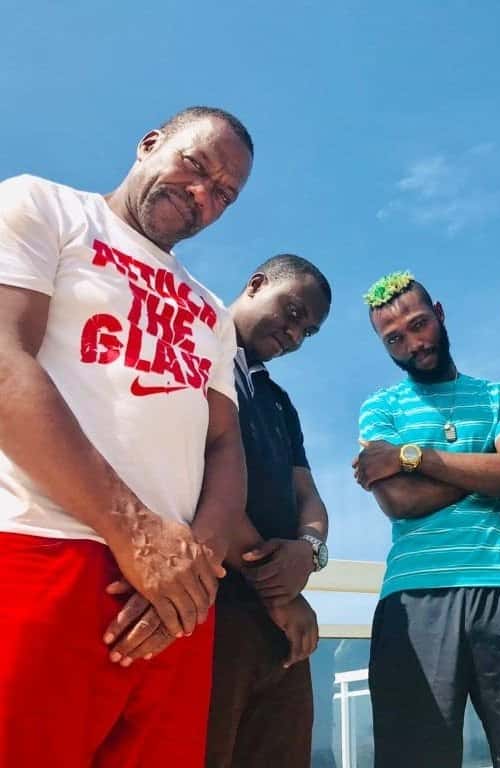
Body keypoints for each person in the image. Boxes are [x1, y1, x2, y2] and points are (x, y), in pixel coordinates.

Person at [0, 106, 256, 767]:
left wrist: (197, 568)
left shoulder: (213, 313)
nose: (201, 193)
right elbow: (5, 359)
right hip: (44, 547)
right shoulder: (44, 206)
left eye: (223, 194)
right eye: (195, 165)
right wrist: (135, 533)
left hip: (175, 599)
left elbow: (225, 444)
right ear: (149, 144)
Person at [353, 271, 500, 768]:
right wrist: (489, 469)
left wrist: (415, 457)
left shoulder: (499, 395)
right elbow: (399, 500)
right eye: (394, 339)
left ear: (439, 314)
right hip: (413, 598)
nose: (413, 344)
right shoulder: (379, 408)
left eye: (419, 325)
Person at [205, 254, 332, 768]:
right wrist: (277, 592)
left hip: (280, 624)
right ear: (256, 284)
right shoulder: (191, 345)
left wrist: (311, 548)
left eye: (309, 331)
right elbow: (195, 476)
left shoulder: (278, 400)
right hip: (207, 604)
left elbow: (309, 495)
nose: (295, 335)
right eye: (293, 313)